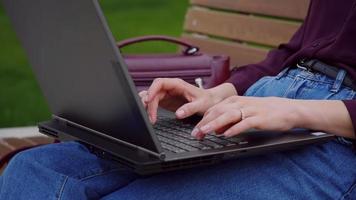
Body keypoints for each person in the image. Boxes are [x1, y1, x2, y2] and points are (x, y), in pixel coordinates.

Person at [1, 0, 356, 199]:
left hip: (336, 134)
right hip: (265, 106)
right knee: (33, 172)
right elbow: (296, 50)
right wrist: (218, 93)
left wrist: (296, 109)